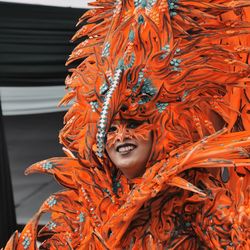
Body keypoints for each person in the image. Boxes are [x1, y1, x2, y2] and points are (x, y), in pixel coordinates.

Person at [4, 0, 250, 249]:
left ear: (159, 130)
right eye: (110, 128)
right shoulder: (86, 203)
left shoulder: (193, 196)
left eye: (133, 123)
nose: (121, 135)